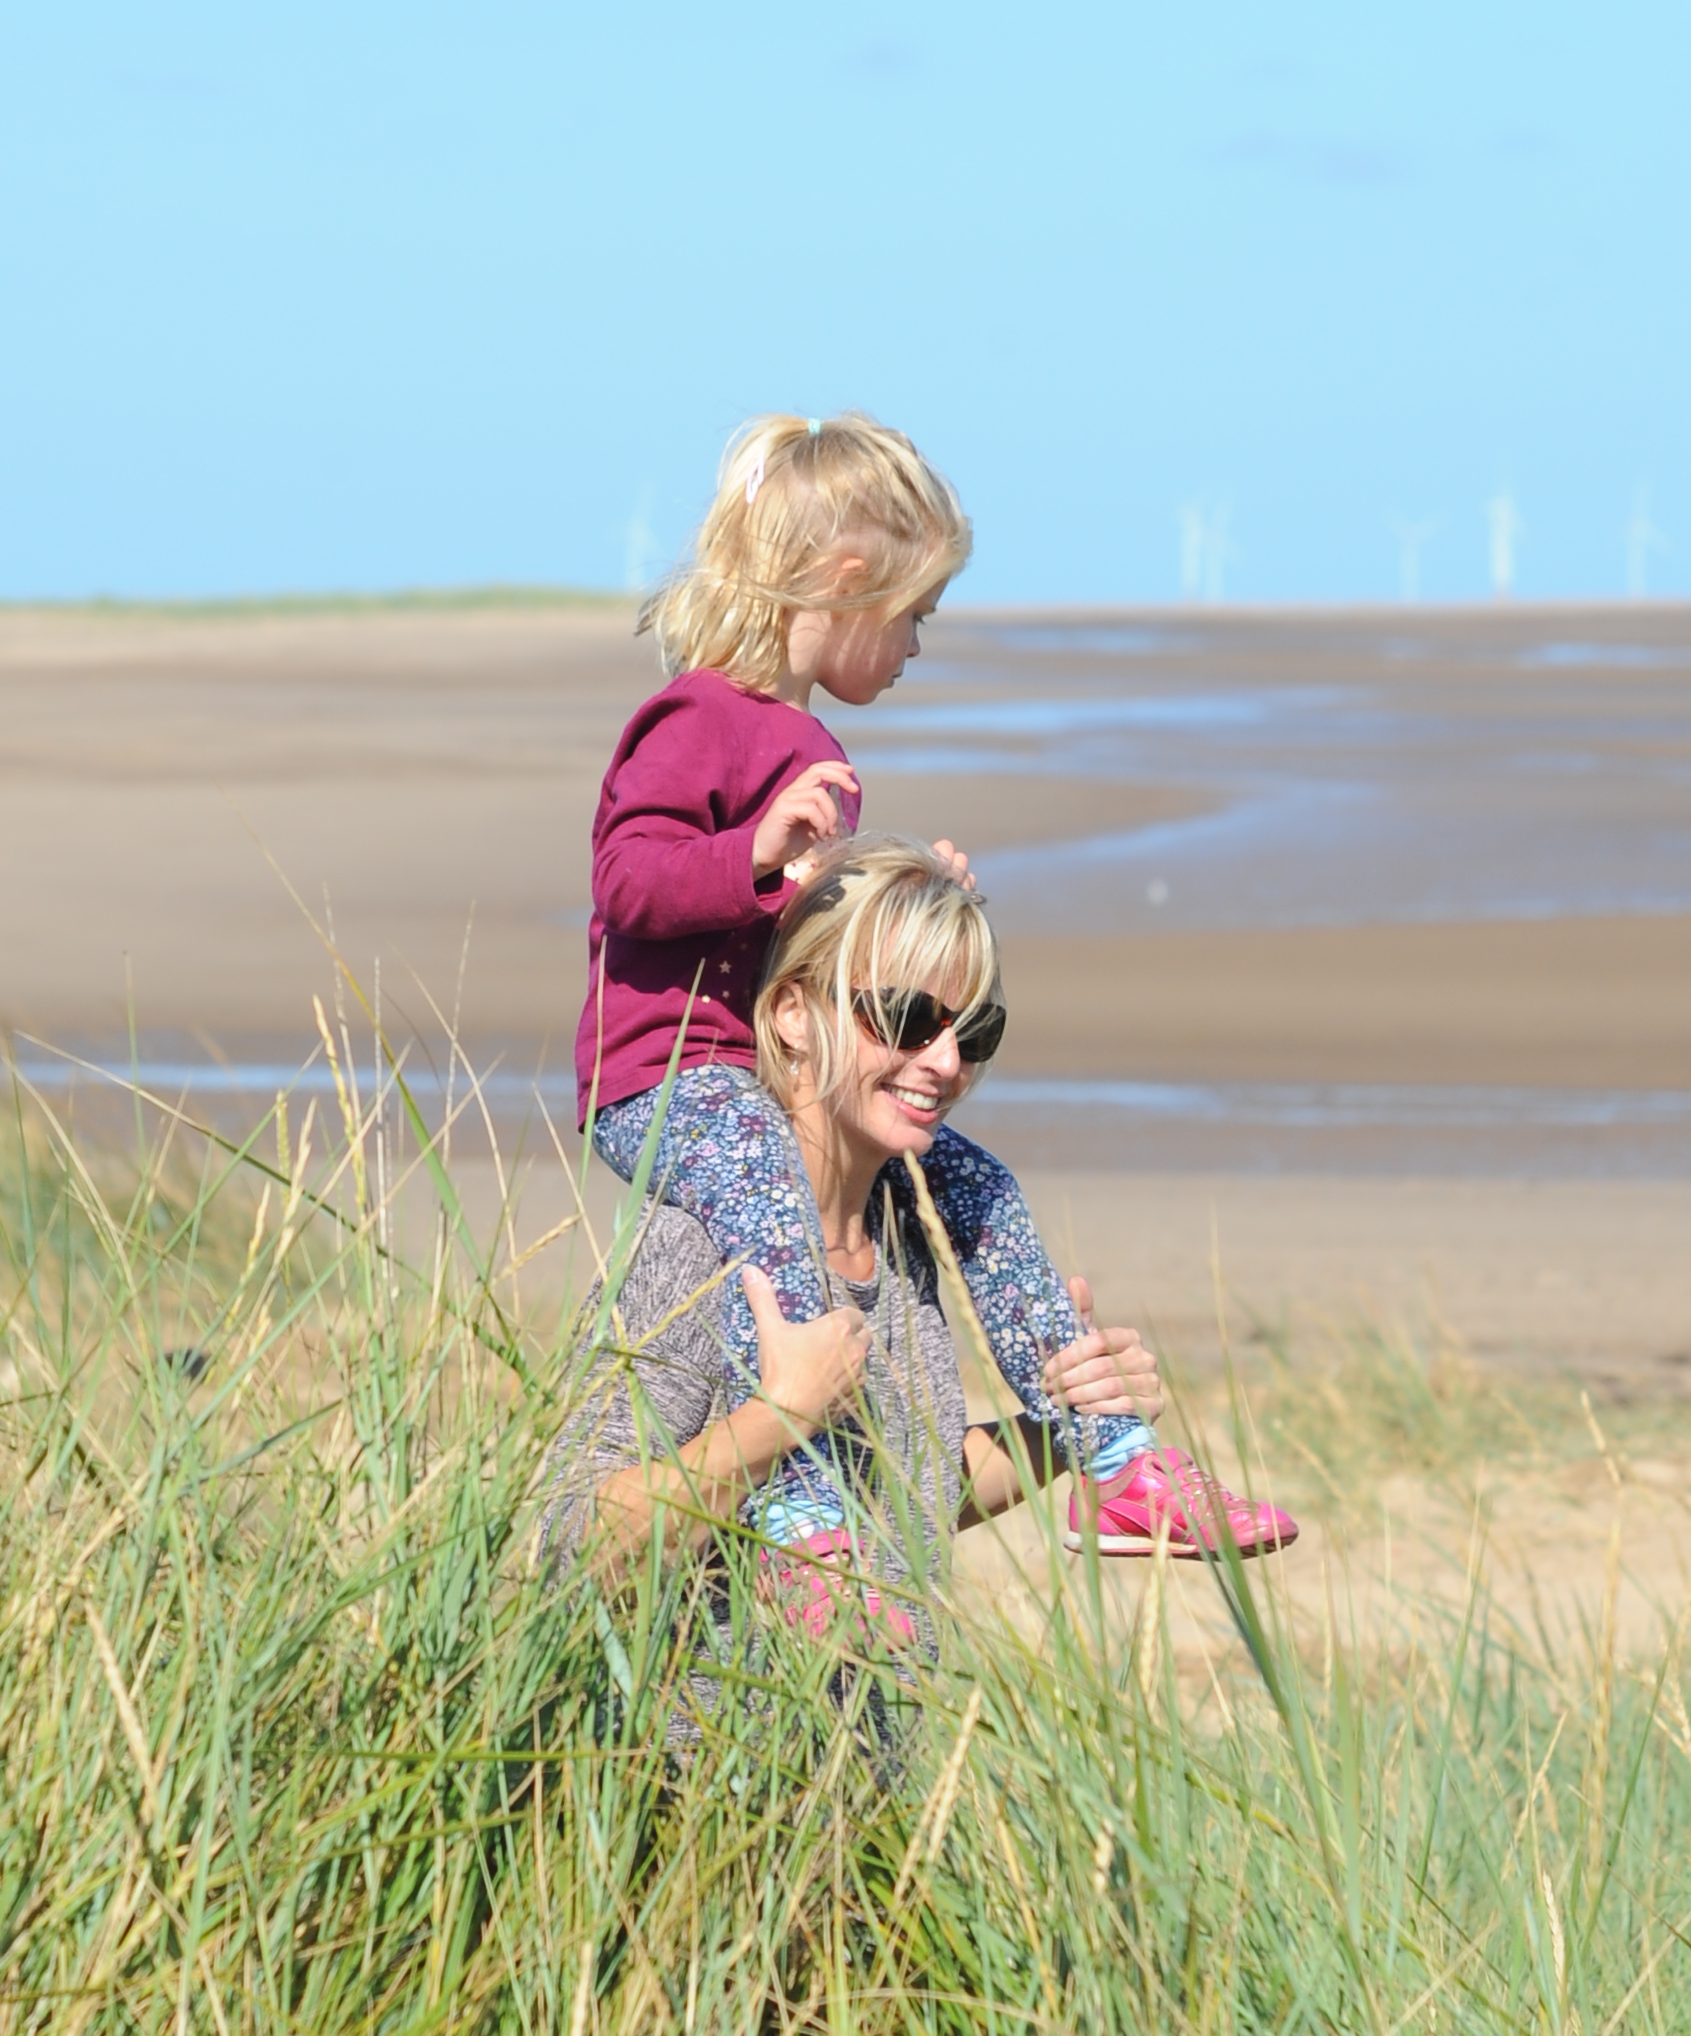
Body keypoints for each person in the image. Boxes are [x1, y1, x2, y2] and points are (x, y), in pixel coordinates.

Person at [573, 412, 1294, 1571]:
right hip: (671, 1083)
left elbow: (811, 935)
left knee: (981, 1181)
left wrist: (897, 900)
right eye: (915, 614)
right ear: (848, 581)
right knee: (768, 1208)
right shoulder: (697, 716)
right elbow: (628, 881)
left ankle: (1109, 1451)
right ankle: (802, 1519)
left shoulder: (813, 745)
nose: (916, 646)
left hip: (767, 1078)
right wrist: (754, 851)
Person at [548, 838, 1294, 1645]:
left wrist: (1070, 1426)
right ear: (793, 1014)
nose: (944, 1063)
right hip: (701, 1769)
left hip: (872, 1769)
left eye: (974, 1032)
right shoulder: (692, 1249)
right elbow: (569, 1548)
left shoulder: (903, 1244)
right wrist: (777, 1420)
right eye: (905, 1019)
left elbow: (913, 1497)